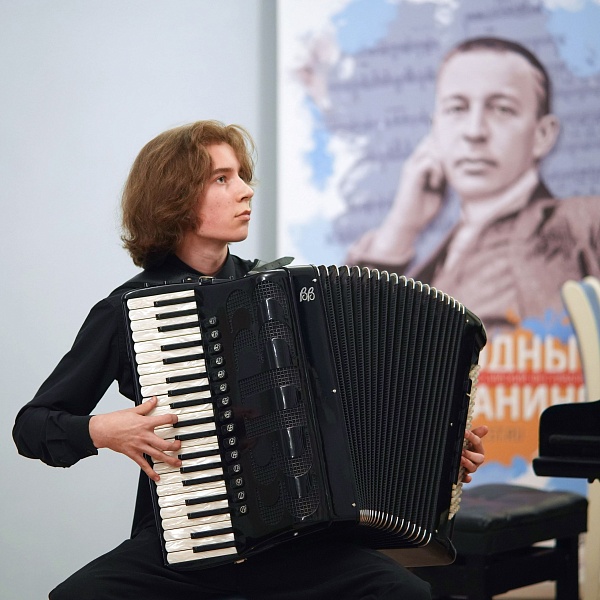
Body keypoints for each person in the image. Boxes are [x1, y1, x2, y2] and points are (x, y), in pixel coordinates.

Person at [13, 119, 486, 600]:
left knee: (405, 594)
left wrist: (440, 445)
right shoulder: (131, 310)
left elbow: (359, 407)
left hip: (301, 546)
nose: (245, 190)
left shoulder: (285, 297)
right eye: (222, 178)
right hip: (191, 548)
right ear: (175, 197)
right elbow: (32, 426)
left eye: (241, 175)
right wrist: (104, 431)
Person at [347, 37, 600, 330]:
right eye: (457, 109)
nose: (474, 131)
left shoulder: (584, 222)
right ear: (436, 129)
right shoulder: (438, 260)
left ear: (542, 134)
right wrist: (402, 228)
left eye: (502, 109)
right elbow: (343, 341)